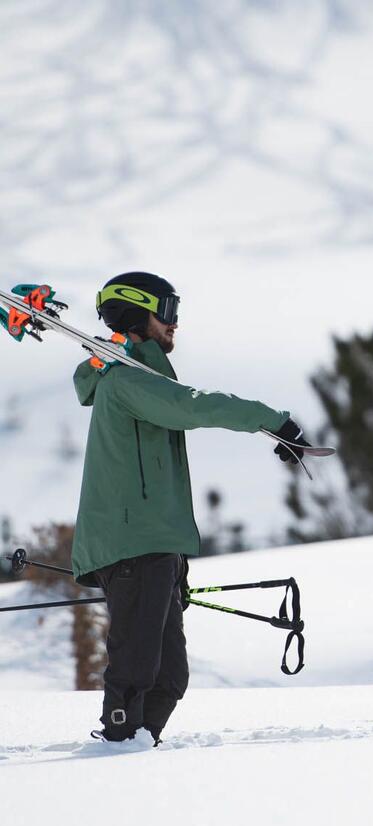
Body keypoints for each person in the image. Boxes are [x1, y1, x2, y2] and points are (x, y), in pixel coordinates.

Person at [73, 271, 308, 745]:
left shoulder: (139, 377)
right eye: (167, 312)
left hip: (158, 543)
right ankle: (116, 745)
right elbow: (194, 407)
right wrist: (271, 422)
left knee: (169, 679)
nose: (174, 323)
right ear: (138, 314)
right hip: (134, 542)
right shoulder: (127, 381)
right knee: (137, 667)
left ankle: (137, 746)